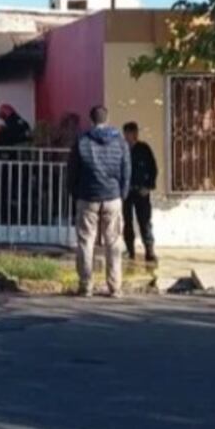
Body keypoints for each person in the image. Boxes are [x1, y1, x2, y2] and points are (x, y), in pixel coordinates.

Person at [68, 105, 131, 298]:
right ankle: (115, 287)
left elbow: (72, 170)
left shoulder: (82, 140)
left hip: (87, 197)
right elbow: (126, 169)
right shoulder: (119, 140)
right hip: (112, 196)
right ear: (108, 118)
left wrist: (74, 192)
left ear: (91, 119)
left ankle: (86, 285)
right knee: (113, 242)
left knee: (86, 242)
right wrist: (123, 193)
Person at [122, 122, 158, 262]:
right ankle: (130, 250)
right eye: (130, 132)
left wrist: (148, 187)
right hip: (126, 192)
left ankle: (149, 251)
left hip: (141, 191)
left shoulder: (144, 148)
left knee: (145, 221)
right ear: (126, 134)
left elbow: (153, 169)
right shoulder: (122, 149)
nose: (133, 135)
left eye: (135, 132)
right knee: (127, 221)